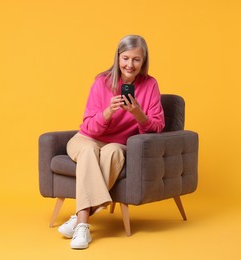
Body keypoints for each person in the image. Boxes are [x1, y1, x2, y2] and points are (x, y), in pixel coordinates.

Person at [58, 35, 165, 249]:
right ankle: (83, 225)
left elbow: (157, 126)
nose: (129, 65)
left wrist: (138, 113)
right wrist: (108, 112)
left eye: (136, 60)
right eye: (125, 58)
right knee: (88, 150)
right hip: (86, 139)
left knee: (114, 152)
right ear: (117, 58)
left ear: (143, 61)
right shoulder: (102, 81)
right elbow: (88, 126)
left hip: (119, 143)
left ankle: (78, 218)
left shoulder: (150, 84)